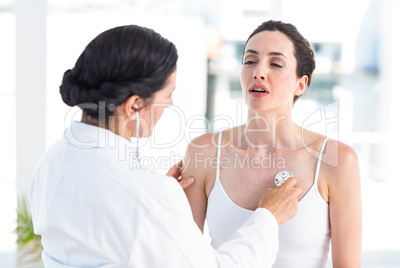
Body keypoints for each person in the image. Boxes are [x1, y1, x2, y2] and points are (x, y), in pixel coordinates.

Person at [29, 24, 302, 267]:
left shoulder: (52, 161)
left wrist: (155, 204)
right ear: (134, 104)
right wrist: (267, 217)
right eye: (167, 94)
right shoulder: (146, 194)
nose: (170, 103)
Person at [183, 20, 362, 268]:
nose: (258, 72)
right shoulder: (203, 151)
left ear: (300, 84)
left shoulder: (337, 159)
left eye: (276, 63)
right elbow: (183, 257)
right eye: (249, 61)